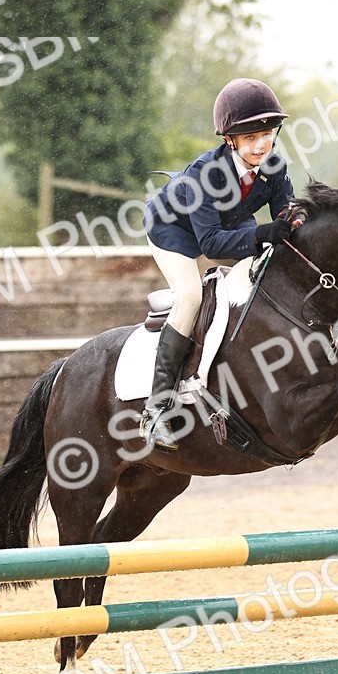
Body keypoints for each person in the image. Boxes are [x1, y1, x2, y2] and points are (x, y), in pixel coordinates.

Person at [141, 77, 296, 450]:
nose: (261, 145)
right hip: (174, 231)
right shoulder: (204, 175)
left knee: (268, 267)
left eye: (267, 135)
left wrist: (297, 222)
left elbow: (286, 213)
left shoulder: (273, 166)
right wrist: (263, 233)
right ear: (230, 140)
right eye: (250, 137)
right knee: (190, 297)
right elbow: (209, 244)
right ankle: (156, 409)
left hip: (228, 224)